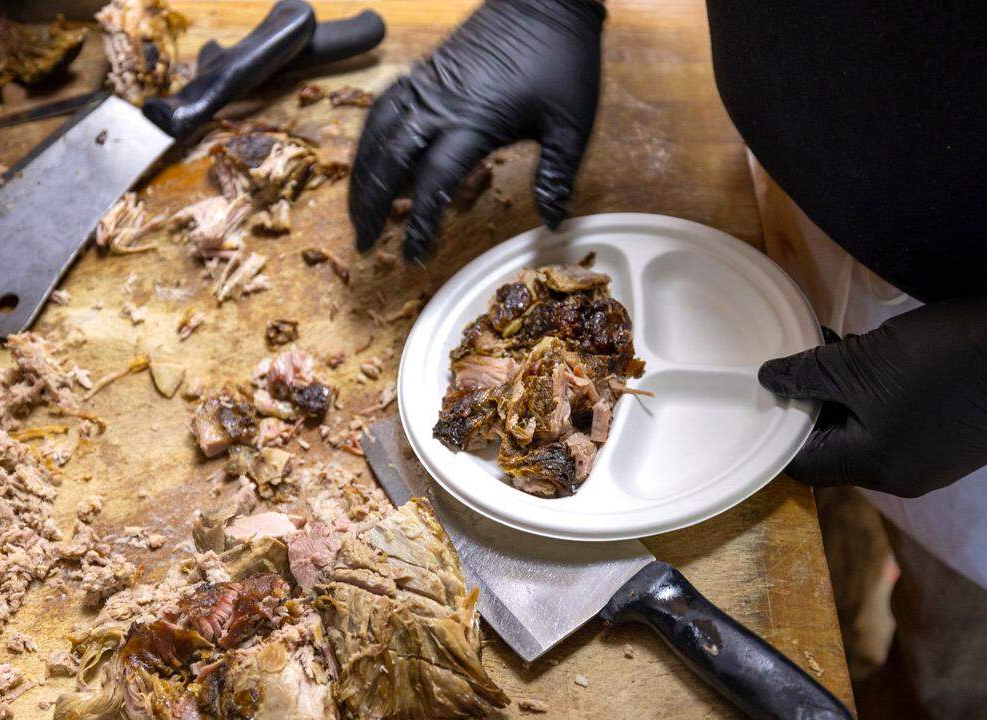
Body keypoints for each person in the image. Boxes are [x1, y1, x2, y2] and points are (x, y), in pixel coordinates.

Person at [347, 1, 987, 717]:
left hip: (966, 376)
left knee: (953, 665)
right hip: (778, 204)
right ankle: (857, 626)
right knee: (817, 544)